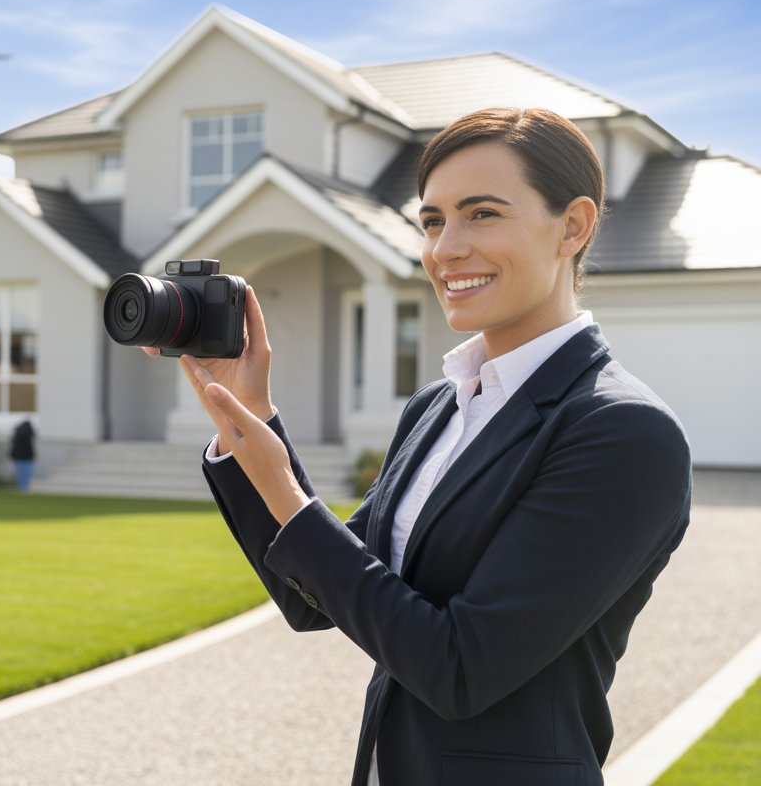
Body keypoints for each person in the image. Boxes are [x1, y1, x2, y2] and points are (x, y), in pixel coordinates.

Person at [166, 108, 691, 784]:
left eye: (482, 214)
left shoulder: (623, 431)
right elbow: (311, 598)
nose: (445, 250)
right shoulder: (437, 407)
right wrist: (245, 413)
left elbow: (459, 670)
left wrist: (284, 491)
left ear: (574, 226)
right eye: (434, 221)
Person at [10, 419, 36, 492]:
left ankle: (22, 487)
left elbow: (13, 444)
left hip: (20, 457)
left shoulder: (18, 433)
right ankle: (25, 487)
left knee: (21, 474)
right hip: (27, 457)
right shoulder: (29, 433)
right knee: (26, 474)